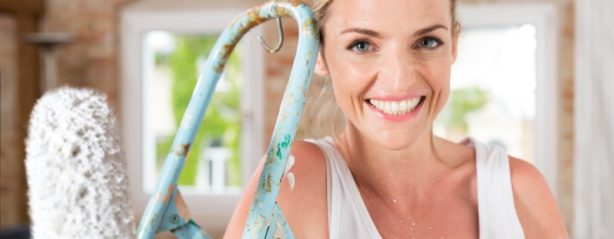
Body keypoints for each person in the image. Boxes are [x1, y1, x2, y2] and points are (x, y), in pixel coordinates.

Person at [224, 0, 568, 237]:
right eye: (361, 45)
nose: (399, 79)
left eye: (427, 41)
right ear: (318, 54)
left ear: (454, 46)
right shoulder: (294, 182)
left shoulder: (518, 192)